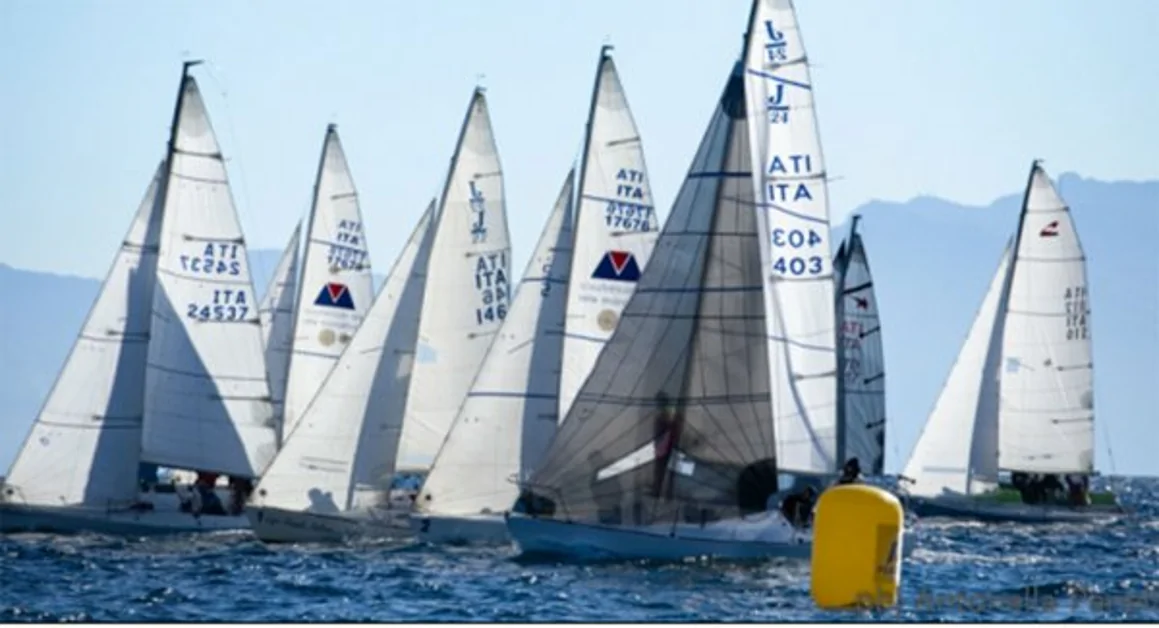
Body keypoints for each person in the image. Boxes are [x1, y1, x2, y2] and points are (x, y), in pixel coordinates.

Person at [652, 391, 684, 499]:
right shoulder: (670, 411)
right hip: (667, 445)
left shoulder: (666, 412)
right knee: (668, 470)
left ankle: (660, 491)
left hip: (666, 445)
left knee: (663, 469)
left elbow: (667, 427)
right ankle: (664, 492)